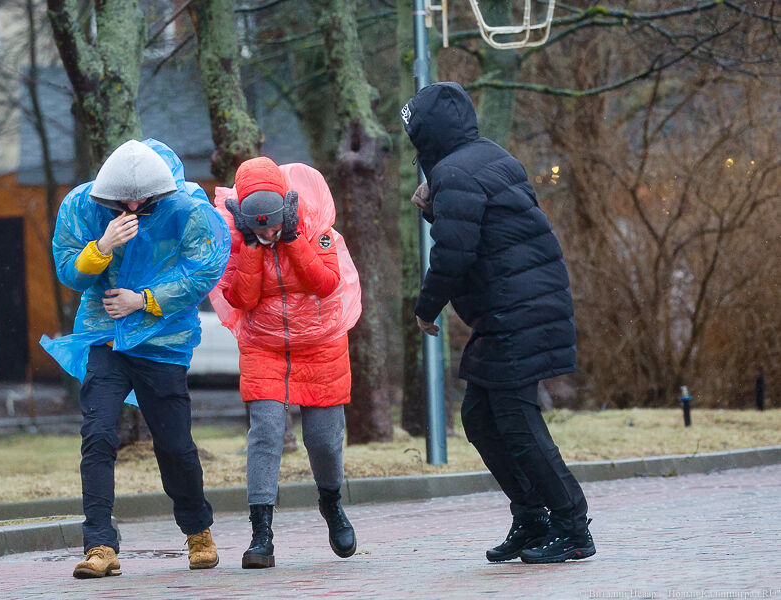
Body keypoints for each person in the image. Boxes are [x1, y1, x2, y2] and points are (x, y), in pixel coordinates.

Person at [401, 82, 595, 564]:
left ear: (427, 134)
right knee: (481, 417)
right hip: (519, 305)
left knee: (514, 420)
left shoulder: (454, 172)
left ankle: (572, 525)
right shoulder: (489, 156)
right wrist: (436, 207)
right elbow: (483, 232)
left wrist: (426, 307)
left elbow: (455, 253)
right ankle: (531, 518)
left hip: (517, 310)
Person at [40, 139, 231, 577]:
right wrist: (101, 246)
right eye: (120, 201)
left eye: (141, 201)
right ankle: (100, 545)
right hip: (105, 339)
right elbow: (68, 271)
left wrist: (143, 299)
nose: (130, 207)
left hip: (163, 343)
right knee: (97, 436)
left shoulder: (188, 210)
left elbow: (203, 269)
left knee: (174, 444)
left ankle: (198, 531)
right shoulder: (82, 206)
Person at [209, 157, 362, 569]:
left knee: (324, 439)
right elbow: (241, 298)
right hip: (264, 346)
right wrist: (251, 248)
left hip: (321, 344)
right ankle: (261, 533)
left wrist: (292, 240)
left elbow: (326, 284)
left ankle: (331, 504)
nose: (268, 233)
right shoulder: (236, 237)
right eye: (258, 227)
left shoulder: (314, 226)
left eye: (273, 225)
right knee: (266, 432)